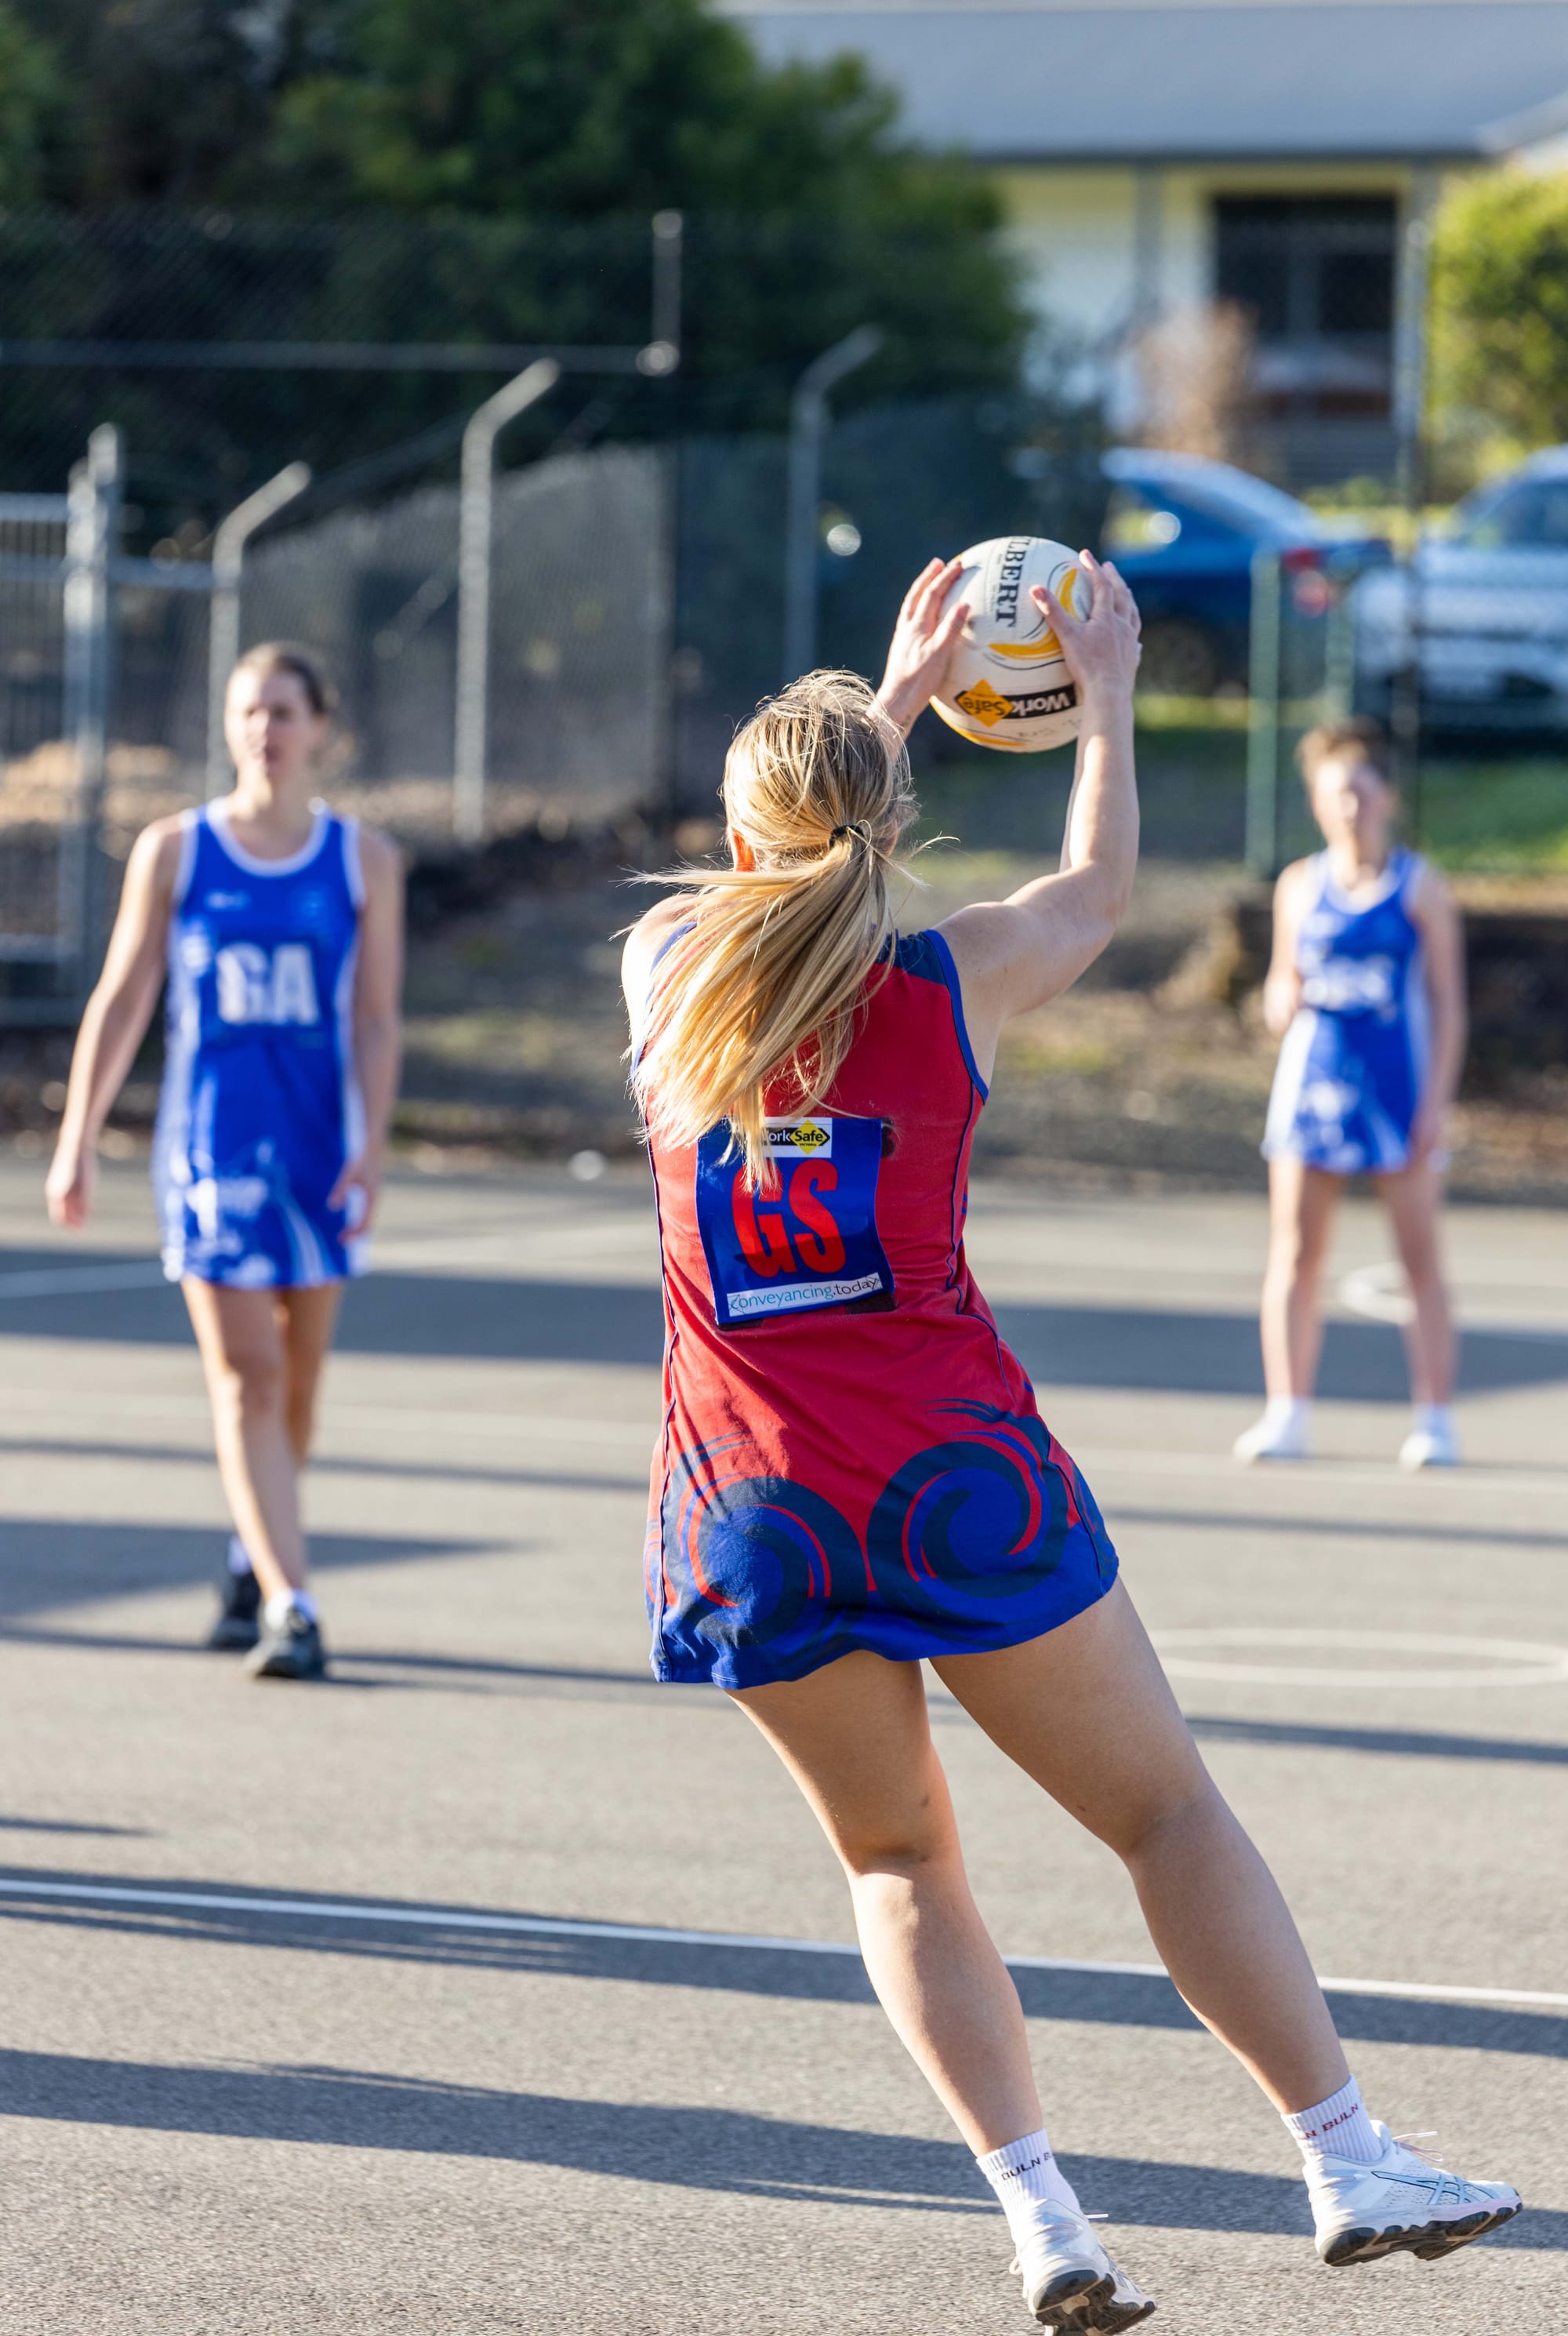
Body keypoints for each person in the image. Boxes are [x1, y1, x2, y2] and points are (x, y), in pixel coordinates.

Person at [621, 562, 1519, 2331]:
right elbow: (1097, 888)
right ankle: (1342, 2153)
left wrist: (883, 690)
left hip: (752, 1509)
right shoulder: (949, 983)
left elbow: (789, 864)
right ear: (889, 822)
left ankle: (1045, 2221)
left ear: (743, 834)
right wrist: (1096, 697)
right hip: (953, 1482)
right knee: (1164, 1811)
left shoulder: (666, 978)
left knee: (897, 1862)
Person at [45, 643, 403, 1680]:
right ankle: (296, 1604)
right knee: (246, 1377)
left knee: (297, 1382)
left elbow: (377, 1020)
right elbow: (123, 1001)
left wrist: (372, 1142)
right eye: (250, 710)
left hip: (320, 1152)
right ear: (230, 724)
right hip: (213, 1155)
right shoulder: (176, 850)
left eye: (285, 711)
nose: (266, 730)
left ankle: (254, 1556)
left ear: (320, 727)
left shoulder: (362, 861)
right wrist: (78, 1139)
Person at [1234, 719, 1466, 1470]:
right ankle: (1288, 1410)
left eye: (1362, 794)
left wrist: (1436, 1103)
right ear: (1316, 801)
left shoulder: (1420, 887)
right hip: (1311, 1090)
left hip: (1396, 1091)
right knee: (1296, 1253)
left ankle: (1434, 1418)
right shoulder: (1300, 886)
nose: (1350, 809)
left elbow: (1449, 1005)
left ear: (1386, 796)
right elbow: (1281, 983)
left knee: (1418, 1259)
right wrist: (1277, 1000)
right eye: (1336, 795)